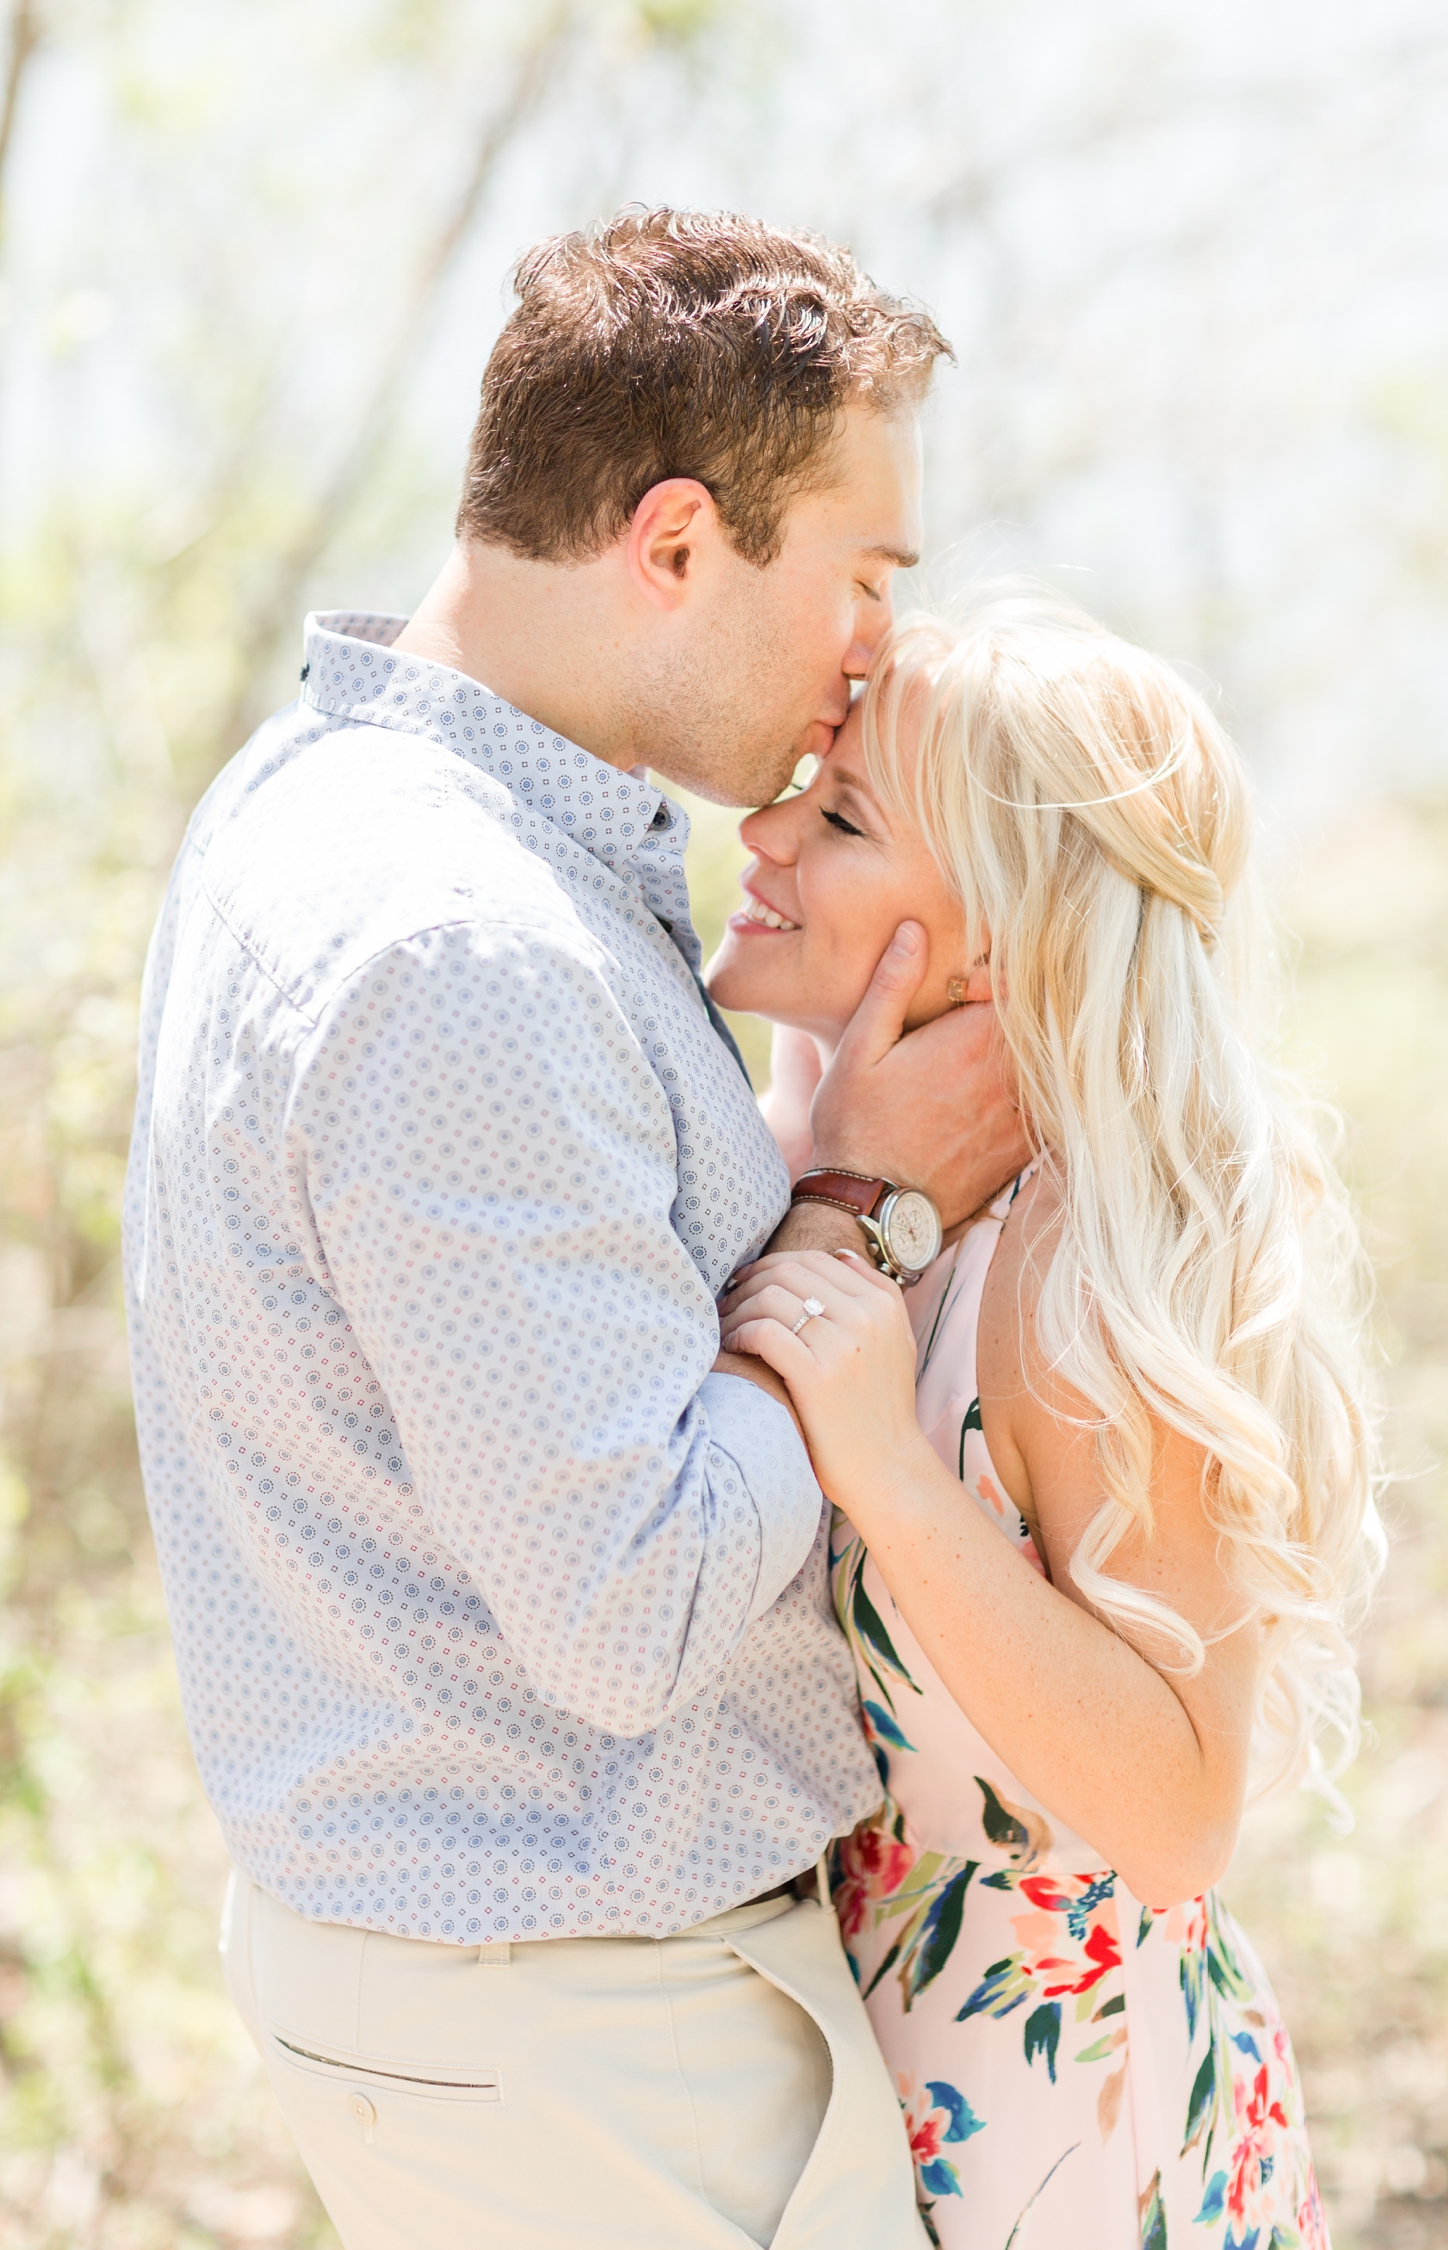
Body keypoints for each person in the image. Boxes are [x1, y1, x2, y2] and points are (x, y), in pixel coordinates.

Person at [121, 210, 1033, 2250]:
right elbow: (632, 1604)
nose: (876, 649)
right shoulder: (465, 944)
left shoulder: (315, 796)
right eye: (864, 578)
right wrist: (870, 1213)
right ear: (680, 542)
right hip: (596, 2043)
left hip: (507, 2003)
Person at [715, 589, 1382, 2248]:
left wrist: (890, 1472)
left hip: (1061, 2119)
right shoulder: (825, 1172)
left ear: (1001, 933)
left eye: (845, 812)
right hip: (857, 2063)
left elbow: (1177, 1815)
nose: (767, 826)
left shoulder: (1090, 1261)